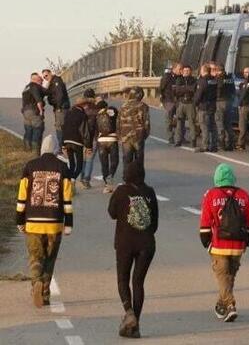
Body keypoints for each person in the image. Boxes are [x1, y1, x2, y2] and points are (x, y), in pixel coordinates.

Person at [16, 134, 73, 308]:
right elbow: (67, 198)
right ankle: (46, 294)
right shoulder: (63, 168)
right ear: (56, 149)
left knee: (35, 257)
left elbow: (22, 196)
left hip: (33, 221)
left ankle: (36, 283)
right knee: (50, 258)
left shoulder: (30, 166)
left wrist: (20, 219)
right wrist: (68, 223)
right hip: (54, 222)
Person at [199, 164, 249, 322]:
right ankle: (220, 304)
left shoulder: (211, 195)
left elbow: (205, 222)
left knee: (223, 277)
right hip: (238, 246)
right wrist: (247, 240)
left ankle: (230, 305)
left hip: (219, 245)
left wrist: (206, 242)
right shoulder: (243, 195)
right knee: (228, 278)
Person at [108, 161, 158, 338]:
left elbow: (112, 213)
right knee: (138, 283)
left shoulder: (121, 191)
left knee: (123, 279)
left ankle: (128, 312)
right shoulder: (150, 192)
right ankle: (135, 324)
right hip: (147, 244)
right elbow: (155, 224)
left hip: (125, 243)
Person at [117, 87, 151, 175]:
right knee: (138, 160)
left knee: (127, 159)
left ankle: (126, 179)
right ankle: (139, 180)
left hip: (125, 136)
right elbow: (146, 123)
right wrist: (144, 136)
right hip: (138, 136)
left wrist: (120, 136)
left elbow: (118, 122)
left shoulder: (123, 106)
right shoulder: (143, 106)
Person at [62, 97, 93, 185]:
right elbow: (85, 132)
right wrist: (88, 146)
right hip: (77, 142)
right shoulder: (82, 116)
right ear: (84, 105)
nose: (87, 107)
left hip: (67, 141)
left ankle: (68, 182)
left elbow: (63, 128)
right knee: (79, 166)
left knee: (72, 165)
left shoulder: (68, 113)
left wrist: (63, 144)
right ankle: (72, 180)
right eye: (87, 105)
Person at [41, 69, 70, 147]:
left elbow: (60, 95)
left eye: (46, 75)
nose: (45, 78)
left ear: (50, 73)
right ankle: (64, 145)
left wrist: (58, 106)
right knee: (61, 126)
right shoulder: (52, 83)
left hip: (61, 108)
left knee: (59, 126)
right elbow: (48, 93)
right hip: (58, 107)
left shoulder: (56, 81)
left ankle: (62, 146)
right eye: (44, 77)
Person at [96, 99, 119, 193]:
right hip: (112, 139)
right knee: (114, 161)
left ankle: (106, 184)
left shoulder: (97, 115)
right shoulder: (111, 111)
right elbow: (117, 114)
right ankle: (111, 175)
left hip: (101, 141)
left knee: (104, 163)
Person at [194, 63, 217, 152]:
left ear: (203, 71)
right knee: (212, 126)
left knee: (204, 126)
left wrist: (195, 103)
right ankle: (214, 145)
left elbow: (199, 94)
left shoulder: (203, 81)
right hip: (212, 105)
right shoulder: (214, 80)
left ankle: (205, 145)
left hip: (204, 106)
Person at [21, 73, 46, 154]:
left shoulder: (26, 88)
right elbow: (38, 99)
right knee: (37, 130)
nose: (41, 83)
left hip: (26, 112)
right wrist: (41, 111)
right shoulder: (35, 86)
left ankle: (27, 151)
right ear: (37, 80)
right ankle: (35, 153)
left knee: (28, 131)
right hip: (34, 111)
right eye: (41, 81)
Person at [174, 65, 197, 148]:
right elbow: (177, 90)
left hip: (190, 103)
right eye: (185, 70)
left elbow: (194, 89)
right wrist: (187, 88)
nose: (186, 72)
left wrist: (184, 88)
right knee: (179, 123)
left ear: (190, 71)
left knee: (191, 123)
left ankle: (193, 140)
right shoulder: (179, 79)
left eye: (188, 70)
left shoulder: (194, 80)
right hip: (181, 103)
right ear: (182, 71)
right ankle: (178, 140)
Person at [79, 89, 99, 189]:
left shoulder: (79, 108)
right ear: (94, 97)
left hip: (81, 137)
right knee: (89, 159)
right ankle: (86, 179)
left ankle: (82, 177)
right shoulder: (96, 108)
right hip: (93, 137)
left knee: (82, 158)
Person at [214, 65, 236, 151]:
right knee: (228, 123)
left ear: (218, 71)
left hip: (219, 102)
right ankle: (230, 143)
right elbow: (233, 91)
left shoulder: (218, 79)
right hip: (229, 102)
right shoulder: (230, 79)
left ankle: (221, 143)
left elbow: (217, 91)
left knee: (219, 123)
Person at [160, 62, 182, 144]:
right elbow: (161, 88)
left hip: (178, 101)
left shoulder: (180, 78)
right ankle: (170, 137)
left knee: (180, 119)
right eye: (179, 69)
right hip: (169, 100)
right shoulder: (167, 77)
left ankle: (179, 137)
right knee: (169, 119)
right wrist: (163, 99)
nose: (181, 71)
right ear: (174, 69)